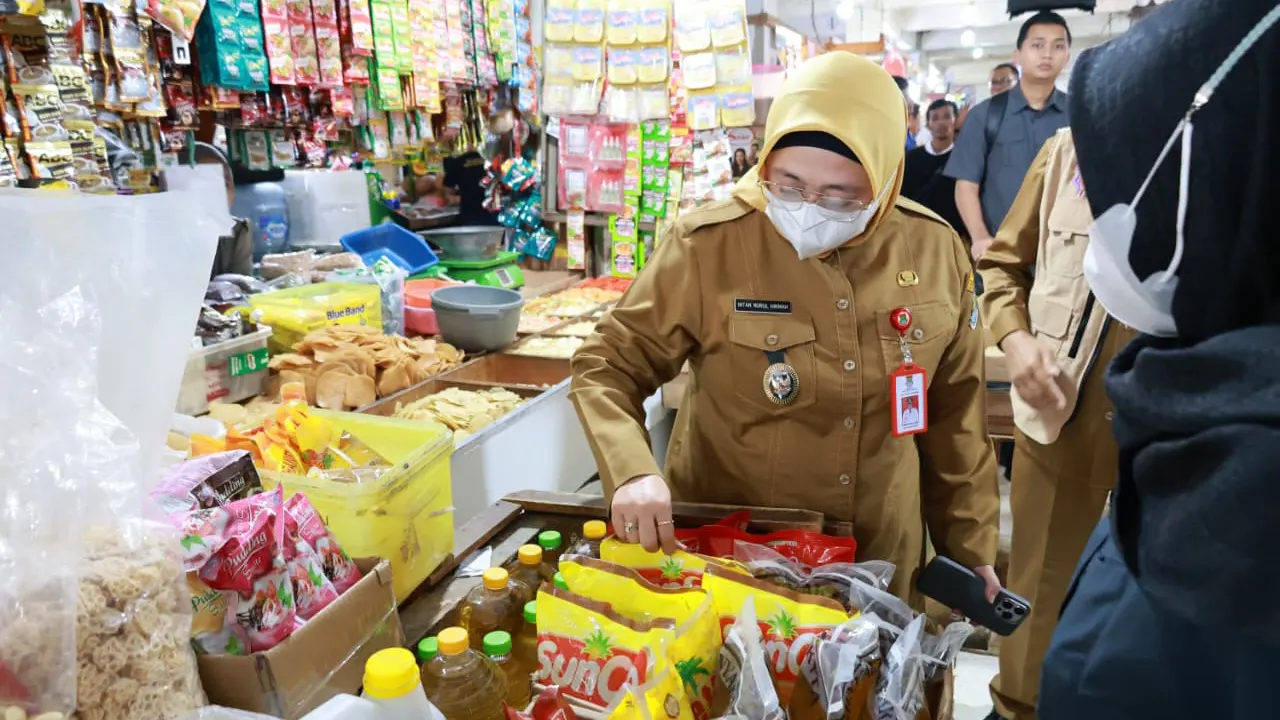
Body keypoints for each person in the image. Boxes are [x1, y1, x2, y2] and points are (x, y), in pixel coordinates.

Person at [569, 51, 1002, 607]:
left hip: (878, 552)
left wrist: (970, 548)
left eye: (841, 194)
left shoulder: (935, 251)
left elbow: (955, 416)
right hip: (738, 555)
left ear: (887, 179)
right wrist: (631, 471)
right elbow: (607, 364)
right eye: (789, 184)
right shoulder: (709, 246)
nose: (809, 209)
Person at [1039, 1, 1280, 718]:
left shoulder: (1249, 496)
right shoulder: (1201, 397)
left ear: (1216, 183)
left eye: (1115, 180)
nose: (1099, 221)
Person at [977, 127, 1133, 720]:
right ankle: (1015, 707)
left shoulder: (1238, 151)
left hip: (1174, 432)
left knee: (1157, 601)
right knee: (1036, 590)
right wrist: (1016, 343)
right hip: (1059, 420)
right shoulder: (1069, 151)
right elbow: (1001, 268)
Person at [945, 11, 1072, 260]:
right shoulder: (985, 115)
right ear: (1018, 55)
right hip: (1001, 253)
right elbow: (966, 185)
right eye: (1037, 45)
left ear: (1067, 56)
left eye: (1058, 46)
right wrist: (980, 237)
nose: (1047, 54)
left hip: (1064, 253)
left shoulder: (1078, 115)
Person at [902, 99, 963, 239]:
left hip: (951, 235)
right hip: (914, 233)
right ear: (928, 125)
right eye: (935, 118)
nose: (941, 123)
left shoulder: (963, 159)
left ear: (956, 121)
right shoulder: (911, 158)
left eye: (947, 116)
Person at [194, 143, 253, 279]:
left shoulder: (238, 231)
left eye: (225, 184)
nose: (218, 193)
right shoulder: (159, 237)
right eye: (205, 184)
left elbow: (240, 285)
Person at [442, 147, 500, 226]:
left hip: (470, 216)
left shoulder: (456, 162)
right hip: (496, 216)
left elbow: (448, 189)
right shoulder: (495, 157)